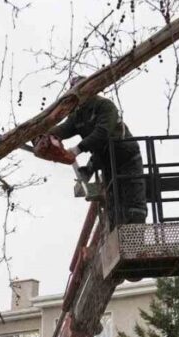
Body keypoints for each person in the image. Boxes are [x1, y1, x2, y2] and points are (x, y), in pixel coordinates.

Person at [45, 75, 147, 228]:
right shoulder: (77, 114)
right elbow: (64, 129)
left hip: (126, 157)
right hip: (106, 161)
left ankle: (136, 237)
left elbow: (102, 133)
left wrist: (77, 149)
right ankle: (115, 235)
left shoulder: (105, 106)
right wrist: (43, 134)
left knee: (133, 202)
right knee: (113, 204)